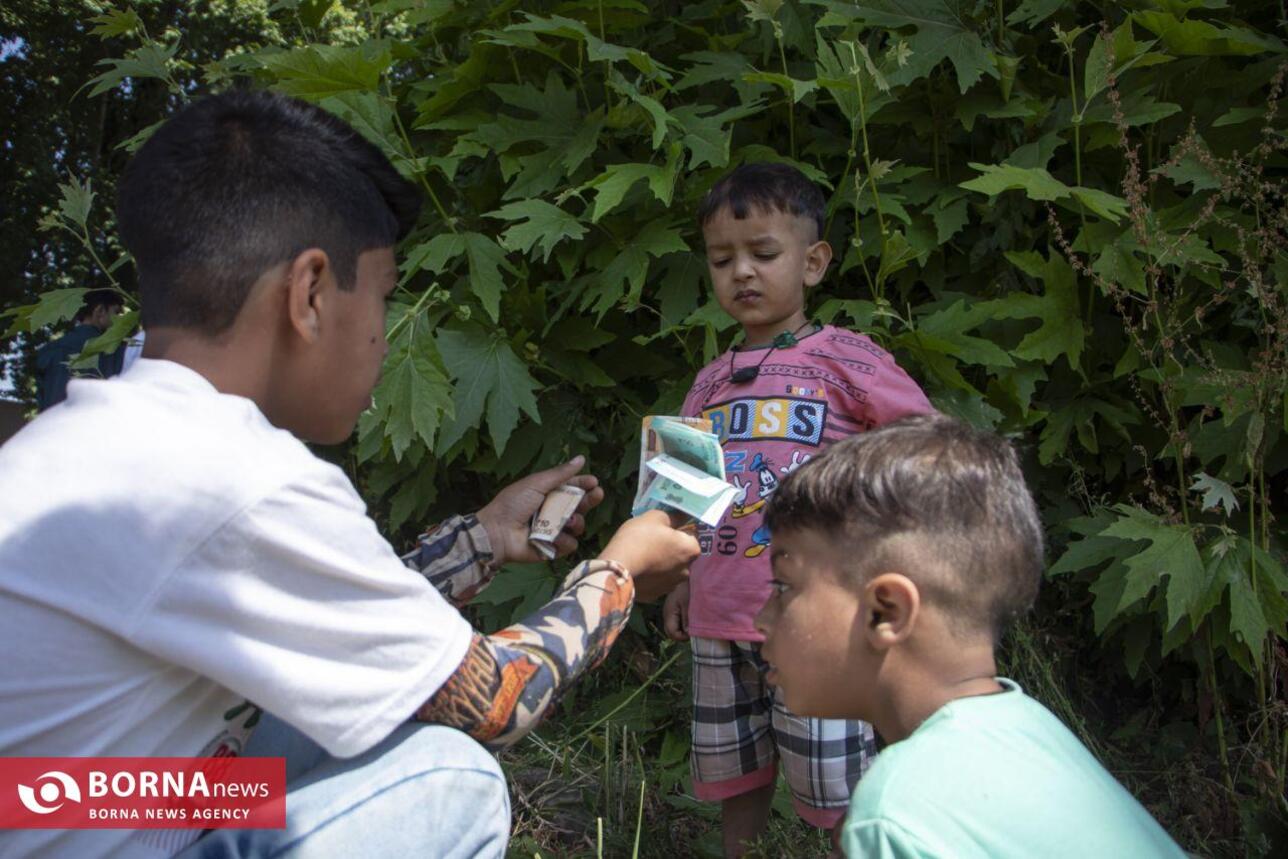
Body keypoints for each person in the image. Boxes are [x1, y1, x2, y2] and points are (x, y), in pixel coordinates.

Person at [0, 89, 698, 859]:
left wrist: (489, 536)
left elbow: (350, 625)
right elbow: (499, 698)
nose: (383, 337)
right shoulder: (236, 477)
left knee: (314, 710)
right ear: (308, 294)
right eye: (384, 295)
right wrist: (621, 568)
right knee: (450, 779)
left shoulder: (101, 438)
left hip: (61, 800)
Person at [755, 414, 1187, 858]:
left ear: (886, 612)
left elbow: (901, 815)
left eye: (783, 587)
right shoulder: (1028, 731)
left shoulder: (900, 810)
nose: (761, 620)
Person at [662, 162, 933, 856]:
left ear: (813, 263)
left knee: (837, 782)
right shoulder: (708, 382)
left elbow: (921, 443)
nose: (742, 273)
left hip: (820, 614)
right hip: (719, 614)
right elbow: (685, 493)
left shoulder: (848, 358)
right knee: (734, 771)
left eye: (764, 253)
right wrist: (681, 580)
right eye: (723, 259)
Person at [34, 287, 126, 410]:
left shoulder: (48, 351)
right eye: (117, 313)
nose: (121, 320)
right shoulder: (115, 351)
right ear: (100, 311)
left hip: (52, 425)